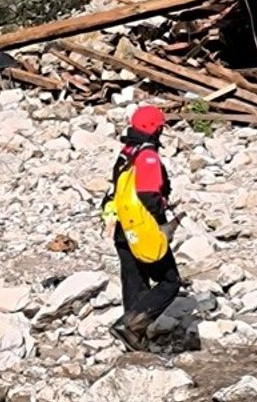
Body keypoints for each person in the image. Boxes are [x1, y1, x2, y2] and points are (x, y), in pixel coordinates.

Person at [101, 104, 181, 351]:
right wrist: (161, 216)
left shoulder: (127, 151)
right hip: (141, 228)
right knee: (170, 281)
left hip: (121, 226)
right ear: (154, 129)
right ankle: (130, 326)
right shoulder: (147, 156)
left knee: (134, 281)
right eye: (160, 128)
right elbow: (148, 195)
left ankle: (134, 338)